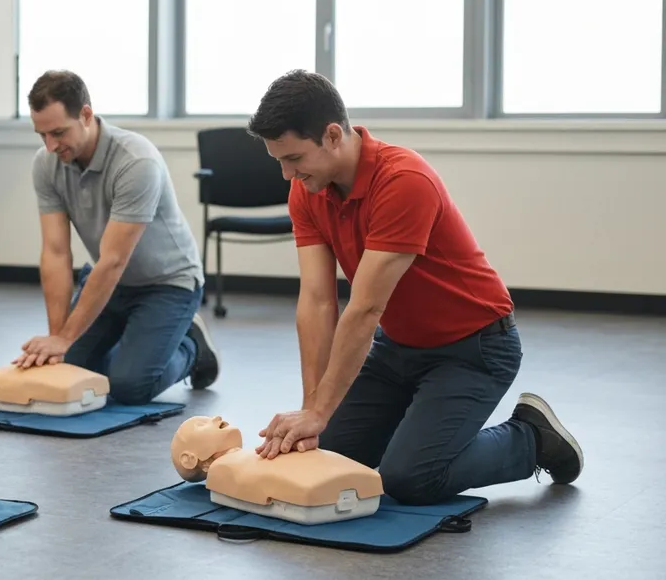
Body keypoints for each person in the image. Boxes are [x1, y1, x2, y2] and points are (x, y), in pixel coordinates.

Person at [248, 70, 584, 505]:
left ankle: (531, 439)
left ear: (332, 136)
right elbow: (316, 302)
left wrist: (319, 412)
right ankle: (415, 433)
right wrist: (313, 410)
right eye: (279, 160)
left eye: (293, 158)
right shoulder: (307, 190)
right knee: (328, 458)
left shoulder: (403, 181)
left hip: (474, 349)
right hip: (397, 350)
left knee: (409, 479)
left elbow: (365, 308)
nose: (286, 174)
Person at [14, 69, 221, 405]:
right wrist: (57, 340)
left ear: (86, 115)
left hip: (167, 284)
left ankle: (192, 346)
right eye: (42, 136)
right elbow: (55, 253)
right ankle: (136, 343)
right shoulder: (46, 164)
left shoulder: (136, 161)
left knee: (127, 386)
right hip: (112, 285)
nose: (51, 146)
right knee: (68, 368)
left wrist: (68, 336)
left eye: (58, 133)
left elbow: (113, 260)